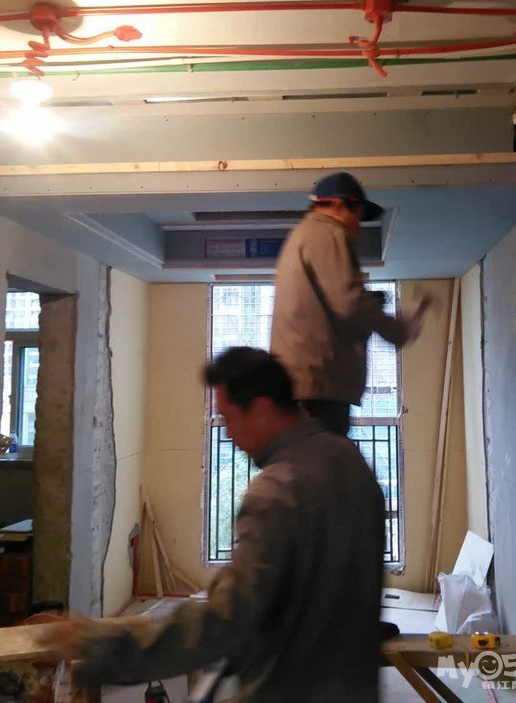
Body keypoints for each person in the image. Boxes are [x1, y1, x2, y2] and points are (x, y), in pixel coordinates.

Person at [41, 348, 386, 703]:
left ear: (262, 409)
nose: (228, 434)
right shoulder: (351, 461)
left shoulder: (278, 492)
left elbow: (224, 621)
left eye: (227, 418)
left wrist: (97, 645)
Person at [271, 171, 431, 436]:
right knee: (327, 460)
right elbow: (348, 302)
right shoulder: (327, 234)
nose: (357, 225)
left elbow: (335, 305)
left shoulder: (301, 236)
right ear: (336, 204)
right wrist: (397, 330)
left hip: (304, 384)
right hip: (319, 386)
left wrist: (369, 306)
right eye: (357, 214)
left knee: (311, 459)